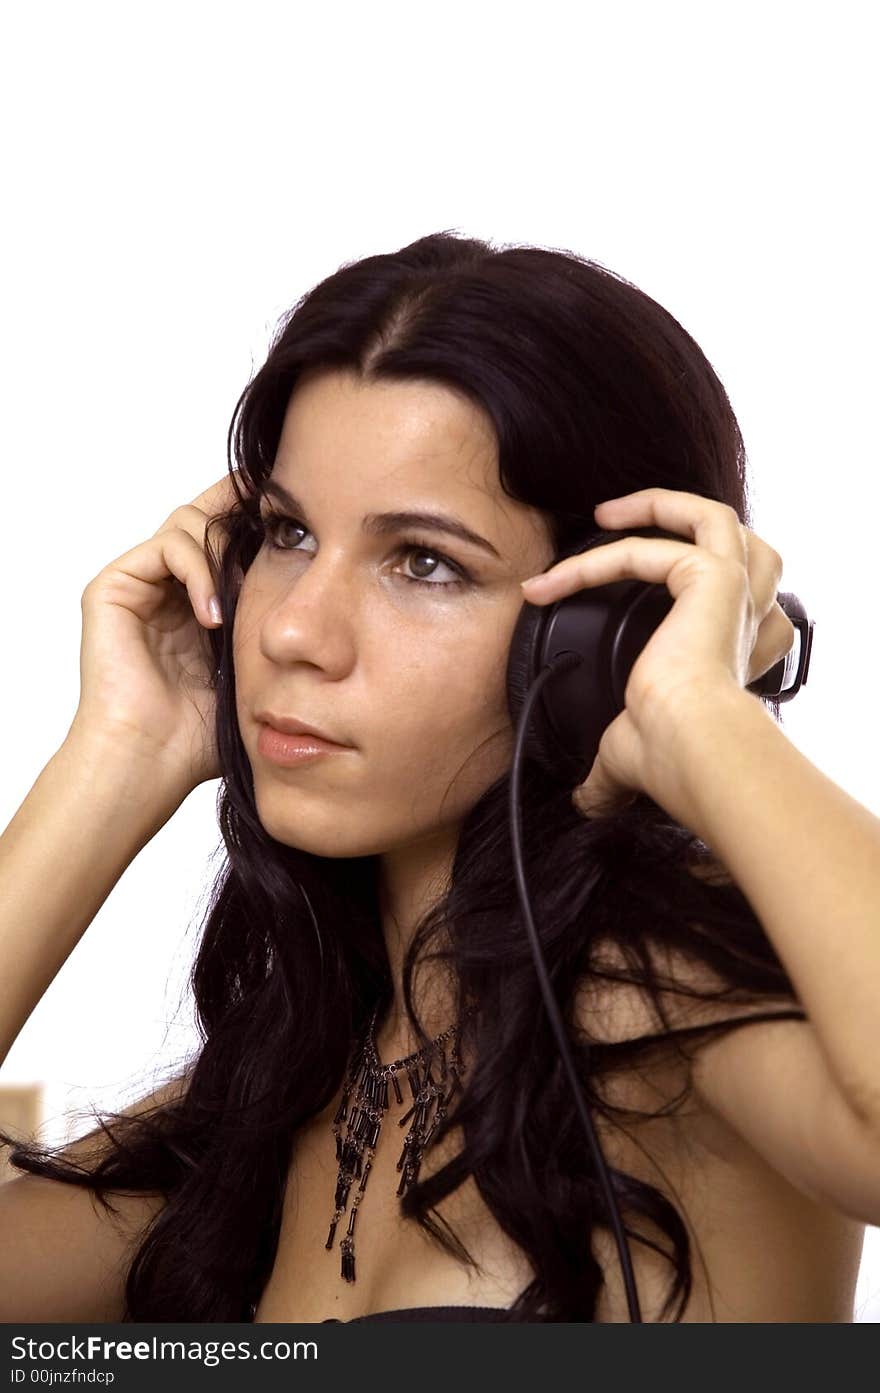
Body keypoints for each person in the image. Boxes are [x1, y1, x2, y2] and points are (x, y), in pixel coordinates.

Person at [0, 230, 877, 1324]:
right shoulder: (295, 1079)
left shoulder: (658, 1011)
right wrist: (118, 754)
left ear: (600, 631)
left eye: (422, 561)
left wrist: (698, 713)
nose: (296, 632)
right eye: (285, 531)